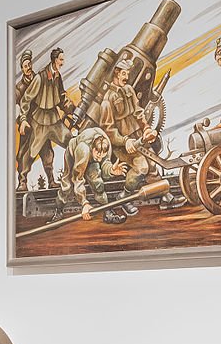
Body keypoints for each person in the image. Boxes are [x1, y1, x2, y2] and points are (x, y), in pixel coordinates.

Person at [99, 57, 159, 214]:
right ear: (116, 73)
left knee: (153, 163)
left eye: (128, 73)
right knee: (142, 167)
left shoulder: (129, 90)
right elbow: (108, 131)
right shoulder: (107, 100)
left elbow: (138, 113)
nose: (126, 77)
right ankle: (124, 197)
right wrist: (125, 141)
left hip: (138, 136)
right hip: (122, 145)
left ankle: (164, 195)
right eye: (124, 73)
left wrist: (146, 128)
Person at [20, 47, 74, 189]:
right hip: (40, 121)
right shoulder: (40, 77)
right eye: (61, 59)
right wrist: (23, 119)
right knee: (31, 152)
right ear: (54, 60)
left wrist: (71, 109)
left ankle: (64, 178)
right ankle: (22, 181)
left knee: (72, 142)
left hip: (54, 119)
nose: (63, 62)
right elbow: (26, 99)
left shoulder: (58, 76)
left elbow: (61, 97)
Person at [55, 126, 128, 224]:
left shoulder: (106, 146)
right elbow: (77, 178)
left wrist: (111, 170)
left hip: (90, 157)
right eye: (98, 156)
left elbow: (104, 164)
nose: (99, 159)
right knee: (67, 186)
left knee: (98, 183)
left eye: (101, 157)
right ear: (93, 148)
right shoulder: (83, 149)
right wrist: (84, 203)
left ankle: (108, 212)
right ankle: (58, 211)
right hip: (74, 155)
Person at [14, 49, 37, 190]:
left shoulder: (39, 80)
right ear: (22, 68)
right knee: (23, 154)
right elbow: (15, 108)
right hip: (26, 124)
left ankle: (51, 180)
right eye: (25, 66)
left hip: (40, 122)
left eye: (29, 64)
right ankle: (22, 182)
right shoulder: (19, 88)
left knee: (46, 151)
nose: (28, 68)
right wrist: (22, 121)